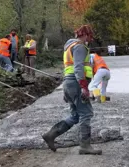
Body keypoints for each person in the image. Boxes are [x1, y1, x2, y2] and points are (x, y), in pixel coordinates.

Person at [42, 25, 102, 155]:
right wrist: (83, 87)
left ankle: (50, 135)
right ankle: (85, 146)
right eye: (90, 36)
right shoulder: (80, 47)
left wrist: (66, 89)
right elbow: (78, 68)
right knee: (86, 113)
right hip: (76, 83)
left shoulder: (69, 47)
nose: (90, 39)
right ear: (85, 35)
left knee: (75, 115)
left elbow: (68, 68)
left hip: (69, 83)